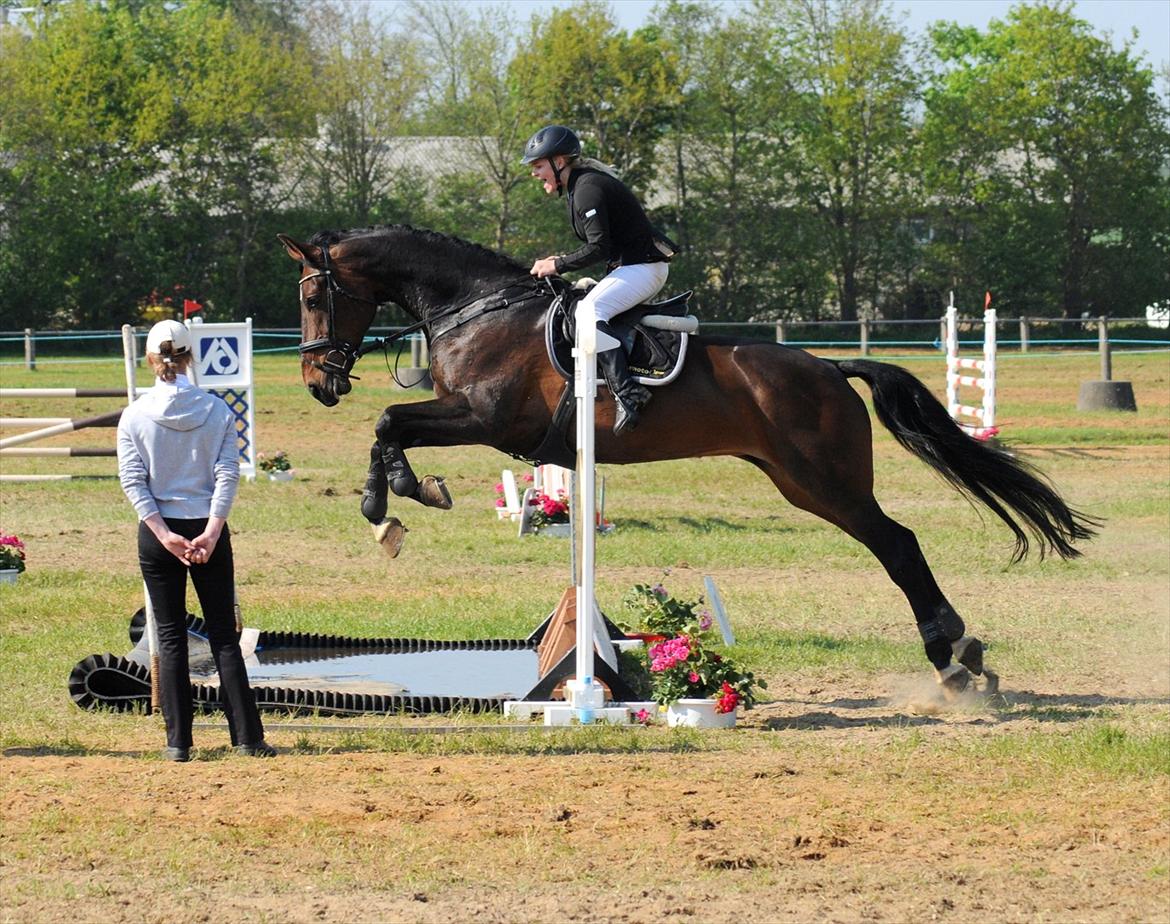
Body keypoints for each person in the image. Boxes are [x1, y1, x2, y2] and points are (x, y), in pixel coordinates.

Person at [117, 319, 275, 762]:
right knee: (224, 634)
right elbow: (227, 473)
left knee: (169, 637)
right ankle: (247, 737)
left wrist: (164, 534)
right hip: (207, 529)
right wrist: (211, 528)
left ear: (148, 360)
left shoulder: (134, 415)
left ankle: (178, 743)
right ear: (191, 357)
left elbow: (133, 481)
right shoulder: (219, 411)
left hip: (158, 532)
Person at [523, 124, 676, 435]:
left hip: (644, 268)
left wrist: (559, 264)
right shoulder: (580, 186)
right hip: (632, 267)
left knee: (590, 312)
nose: (535, 174)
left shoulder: (587, 188)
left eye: (538, 166)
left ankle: (629, 393)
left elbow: (598, 247)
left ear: (559, 161)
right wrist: (560, 261)